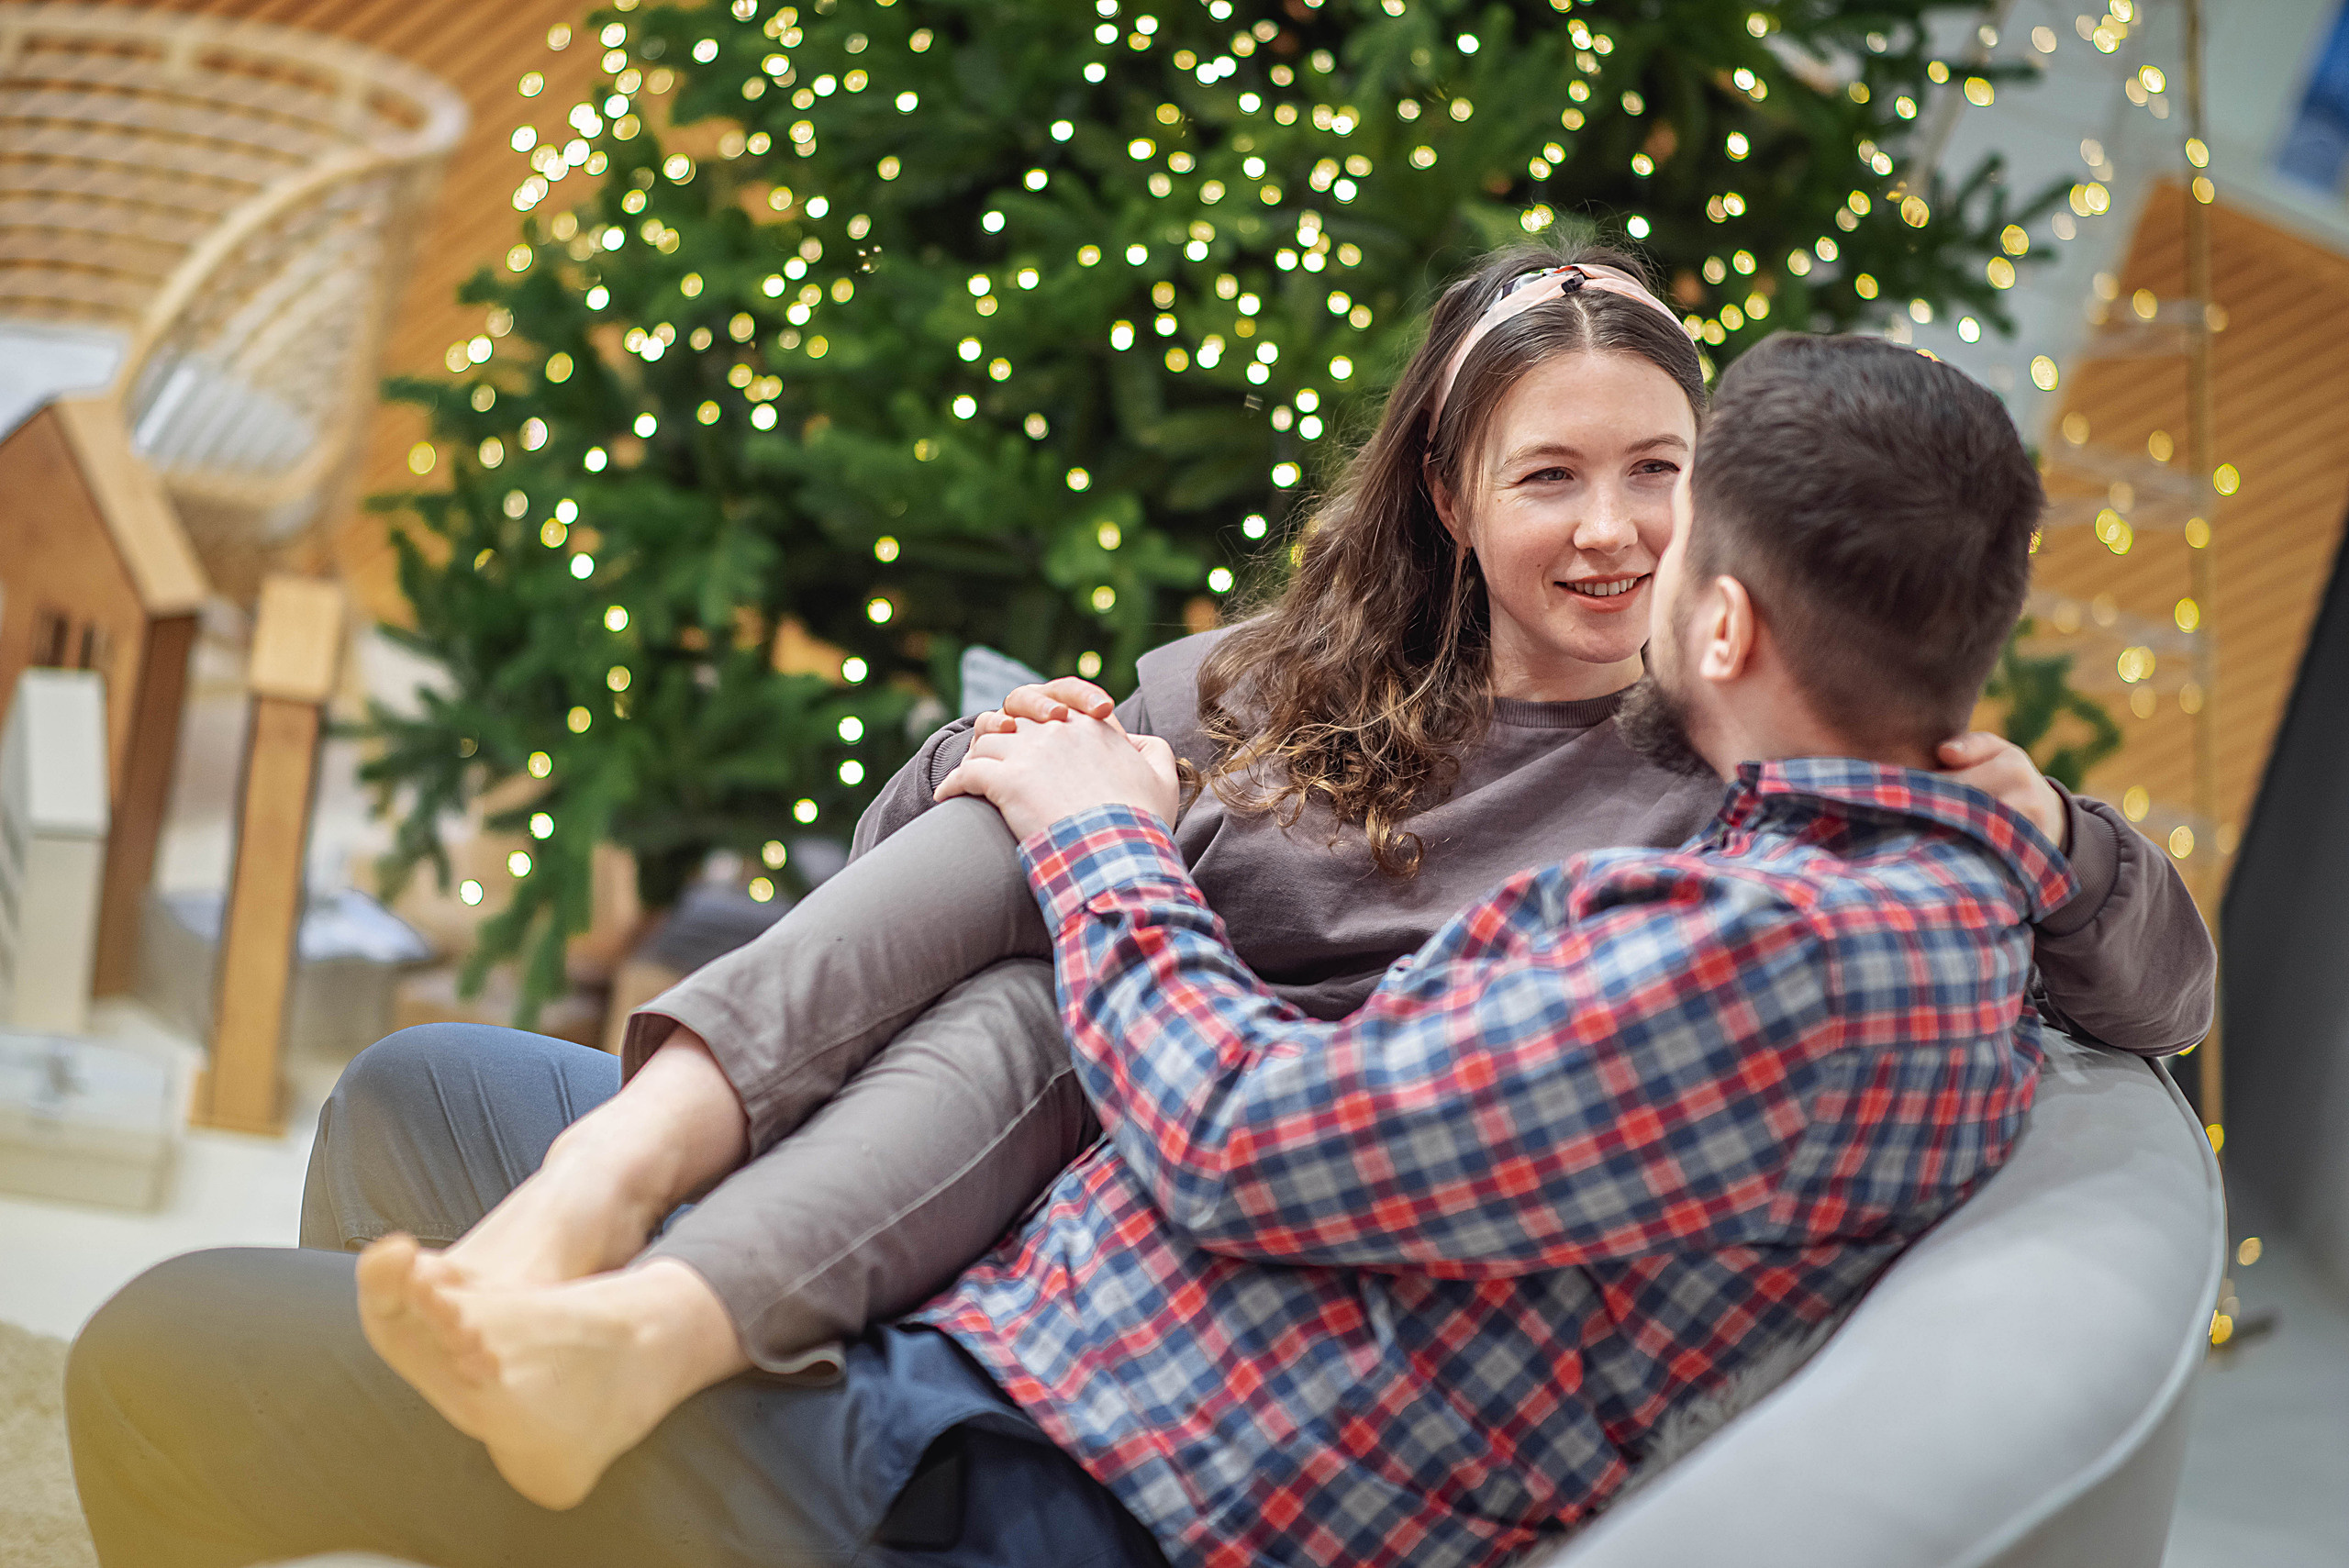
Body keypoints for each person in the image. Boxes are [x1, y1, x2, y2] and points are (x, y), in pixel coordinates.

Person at [67, 256, 2210, 1568]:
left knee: (166, 1351)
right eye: (1552, 477)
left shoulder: (1729, 873)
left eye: (1664, 481)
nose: (1618, 537)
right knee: (420, 1093)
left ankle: (610, 1345)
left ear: (1724, 602)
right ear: (1448, 498)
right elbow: (931, 867)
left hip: (1074, 1410)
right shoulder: (1339, 682)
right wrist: (1029, 767)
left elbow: (1250, 1131)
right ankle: (580, 1259)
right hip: (1019, 1270)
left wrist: (2039, 825)